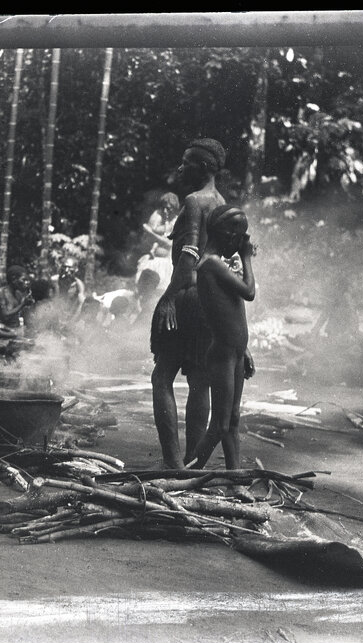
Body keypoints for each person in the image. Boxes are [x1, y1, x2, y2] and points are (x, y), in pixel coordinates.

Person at [150, 138, 228, 469]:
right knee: (199, 380)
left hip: (188, 295)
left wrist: (169, 297)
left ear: (205, 167)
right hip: (211, 300)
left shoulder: (195, 201)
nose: (181, 169)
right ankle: (193, 461)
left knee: (162, 375)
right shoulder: (221, 202)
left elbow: (189, 253)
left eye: (187, 163)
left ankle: (172, 463)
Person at [184, 205, 256, 470]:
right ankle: (187, 472)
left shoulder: (219, 264)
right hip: (223, 354)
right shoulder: (211, 263)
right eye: (240, 237)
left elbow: (234, 310)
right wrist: (247, 258)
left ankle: (234, 478)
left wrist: (245, 349)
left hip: (234, 352)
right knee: (220, 424)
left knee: (233, 420)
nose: (242, 243)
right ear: (227, 235)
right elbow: (249, 292)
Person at [0, 265, 33, 339]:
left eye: (27, 280)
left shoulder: (19, 294)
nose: (26, 283)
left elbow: (23, 316)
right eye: (23, 280)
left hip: (14, 329)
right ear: (14, 279)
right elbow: (5, 316)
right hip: (2, 329)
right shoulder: (1, 293)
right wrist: (23, 304)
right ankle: (15, 335)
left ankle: (16, 334)